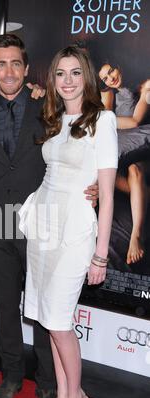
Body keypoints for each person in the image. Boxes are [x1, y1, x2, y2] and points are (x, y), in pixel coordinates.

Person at [0, 34, 99, 398]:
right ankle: (10, 376)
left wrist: (94, 189)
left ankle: (47, 383)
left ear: (26, 70)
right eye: (0, 64)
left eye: (15, 64)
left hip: (42, 220)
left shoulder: (49, 108)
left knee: (44, 308)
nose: (8, 71)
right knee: (5, 303)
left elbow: (75, 154)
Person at [19, 46, 118, 398]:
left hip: (76, 229)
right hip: (43, 225)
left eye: (75, 73)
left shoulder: (104, 121)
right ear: (53, 81)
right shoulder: (56, 118)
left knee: (59, 322)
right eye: (60, 74)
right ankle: (63, 395)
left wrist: (101, 256)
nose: (68, 81)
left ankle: (77, 397)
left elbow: (107, 194)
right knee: (49, 319)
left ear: (87, 77)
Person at [99, 63, 150, 264]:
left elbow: (135, 121)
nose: (111, 78)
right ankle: (144, 194)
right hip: (121, 153)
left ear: (119, 67)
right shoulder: (108, 97)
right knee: (126, 172)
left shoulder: (142, 88)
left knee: (134, 169)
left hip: (138, 148)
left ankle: (136, 236)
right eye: (105, 78)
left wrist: (100, 118)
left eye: (111, 71)